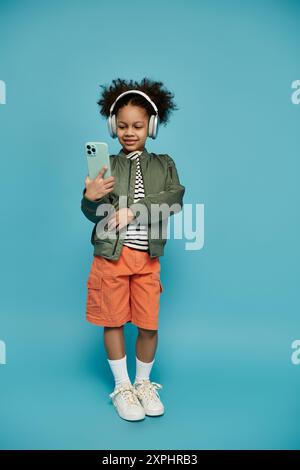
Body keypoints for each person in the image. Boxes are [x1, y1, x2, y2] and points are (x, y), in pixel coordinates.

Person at [81, 77, 185, 421]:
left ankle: (143, 383)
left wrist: (135, 210)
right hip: (110, 257)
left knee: (148, 324)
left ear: (151, 126)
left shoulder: (165, 163)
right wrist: (91, 198)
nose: (129, 131)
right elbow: (95, 216)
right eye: (122, 125)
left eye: (138, 125)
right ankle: (123, 387)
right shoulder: (105, 166)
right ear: (113, 126)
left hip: (147, 259)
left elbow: (174, 199)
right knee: (112, 321)